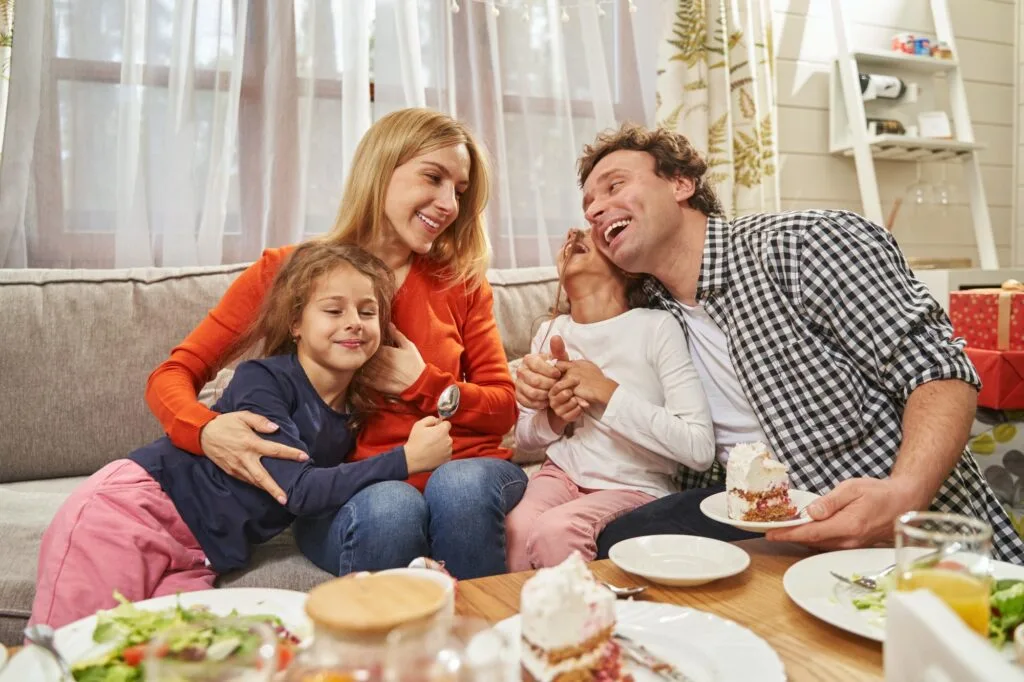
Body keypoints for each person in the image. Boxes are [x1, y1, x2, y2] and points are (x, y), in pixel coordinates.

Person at [515, 123, 1024, 564]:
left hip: (903, 532)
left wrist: (903, 494)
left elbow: (938, 370)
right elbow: (580, 365)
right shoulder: (647, 313)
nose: (597, 210)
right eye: (589, 204)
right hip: (758, 523)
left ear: (681, 183)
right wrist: (545, 389)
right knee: (621, 540)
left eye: (614, 185)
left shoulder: (807, 244)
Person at [145, 109, 527, 579]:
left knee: (462, 486)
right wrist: (205, 430)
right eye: (433, 178)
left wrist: (427, 384)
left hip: (466, 470)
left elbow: (504, 407)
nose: (448, 203)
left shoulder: (461, 284)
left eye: (460, 191)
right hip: (358, 491)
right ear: (380, 170)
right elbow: (173, 375)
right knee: (391, 506)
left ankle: (481, 645)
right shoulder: (290, 272)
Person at [32, 243, 456, 628]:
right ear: (296, 323)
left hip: (199, 555)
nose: (354, 323)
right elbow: (298, 491)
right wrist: (407, 458)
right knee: (69, 651)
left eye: (367, 312)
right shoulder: (262, 381)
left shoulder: (351, 417)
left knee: (188, 661)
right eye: (333, 310)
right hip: (131, 514)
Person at [505, 229, 714, 570]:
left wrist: (606, 391)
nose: (573, 233)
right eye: (572, 232)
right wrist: (556, 418)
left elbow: (699, 448)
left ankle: (593, 621)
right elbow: (526, 436)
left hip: (634, 485)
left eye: (591, 233)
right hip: (560, 474)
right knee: (517, 528)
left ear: (627, 265)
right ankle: (530, 622)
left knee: (556, 530)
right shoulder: (549, 332)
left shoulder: (657, 327)